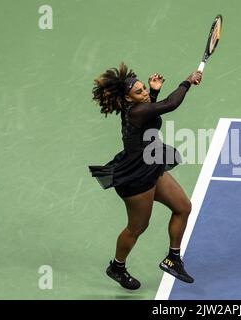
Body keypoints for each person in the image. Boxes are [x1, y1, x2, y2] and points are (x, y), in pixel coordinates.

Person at [88, 62, 202, 290]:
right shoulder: (136, 111)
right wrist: (187, 81)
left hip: (152, 165)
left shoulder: (140, 106)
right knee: (137, 227)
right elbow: (170, 104)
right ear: (129, 99)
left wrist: (154, 91)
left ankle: (173, 259)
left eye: (144, 88)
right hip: (135, 178)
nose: (145, 93)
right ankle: (117, 267)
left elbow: (154, 109)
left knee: (183, 207)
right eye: (139, 91)